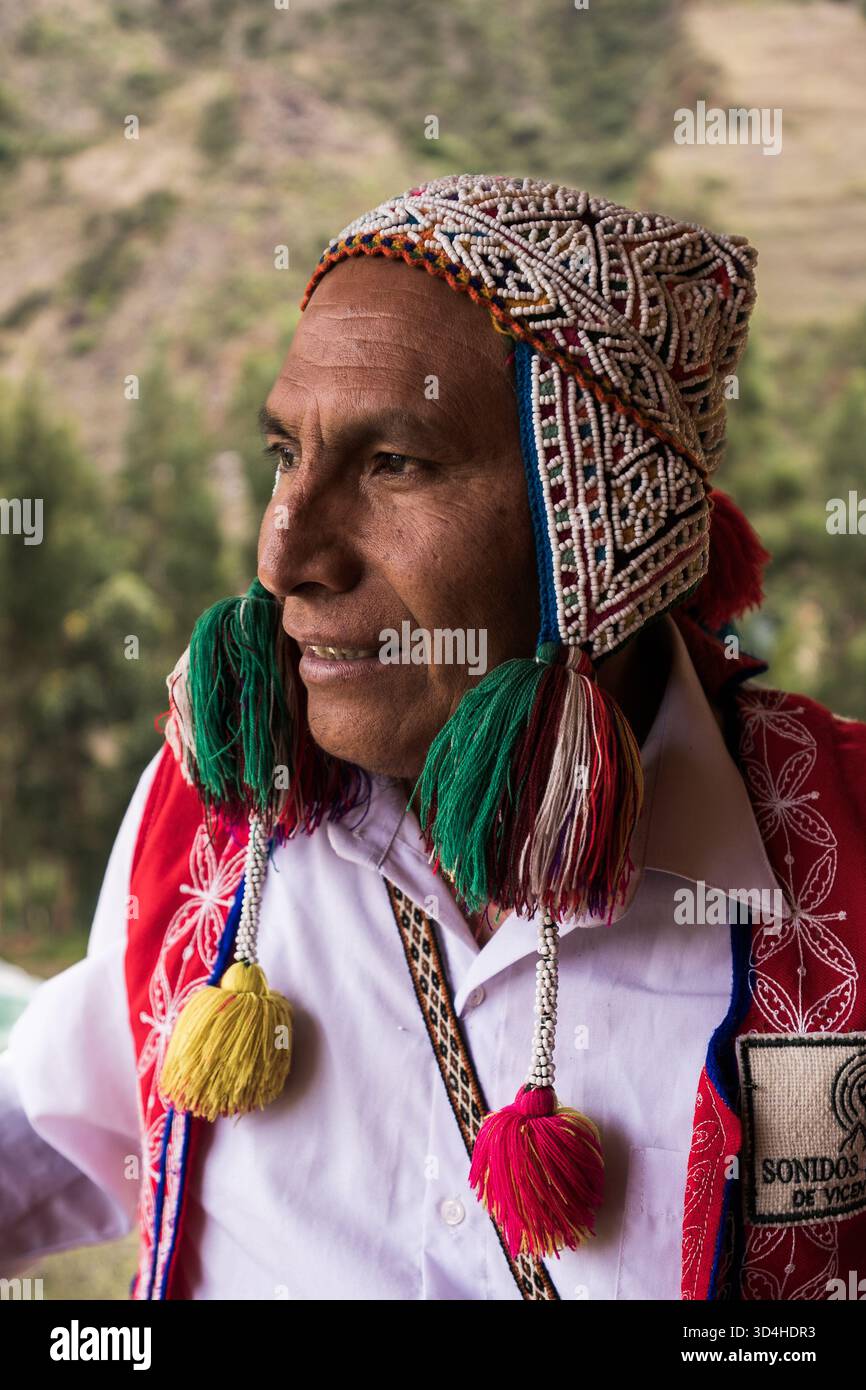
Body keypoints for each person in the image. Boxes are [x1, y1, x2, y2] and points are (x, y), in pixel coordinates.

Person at [2, 173, 865, 1302]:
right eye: (283, 457)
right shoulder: (214, 814)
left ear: (597, 532)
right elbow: (62, 1114)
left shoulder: (837, 864)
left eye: (391, 464)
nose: (284, 557)